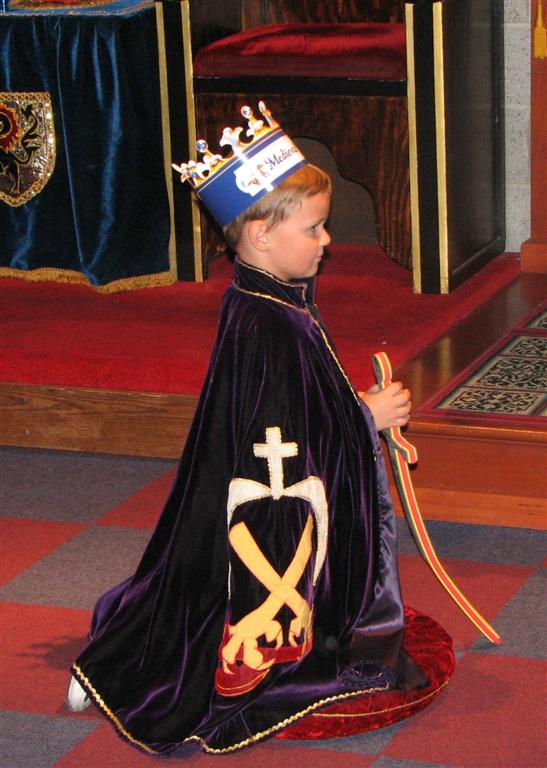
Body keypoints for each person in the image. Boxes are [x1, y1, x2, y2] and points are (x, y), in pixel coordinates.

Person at [67, 103, 433, 757]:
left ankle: (115, 658)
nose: (326, 241)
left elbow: (289, 404)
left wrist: (348, 401)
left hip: (227, 480)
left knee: (188, 577)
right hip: (259, 500)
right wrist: (364, 418)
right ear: (261, 234)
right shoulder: (272, 321)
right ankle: (120, 667)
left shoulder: (263, 297)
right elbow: (283, 440)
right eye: (313, 228)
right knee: (208, 593)